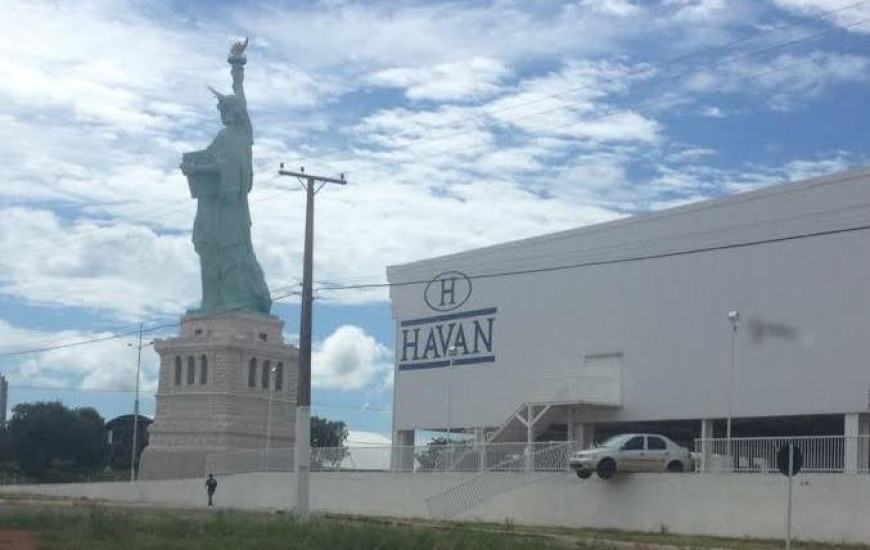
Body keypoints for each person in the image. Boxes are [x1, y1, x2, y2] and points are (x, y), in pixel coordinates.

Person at [180, 37, 271, 314]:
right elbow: (210, 158)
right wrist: (192, 166)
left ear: (235, 111)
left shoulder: (242, 133)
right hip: (211, 202)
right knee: (208, 248)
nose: (223, 114)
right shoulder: (222, 137)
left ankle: (238, 300)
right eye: (221, 111)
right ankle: (211, 301)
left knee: (233, 251)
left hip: (232, 205)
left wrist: (236, 63)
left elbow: (224, 167)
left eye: (225, 109)